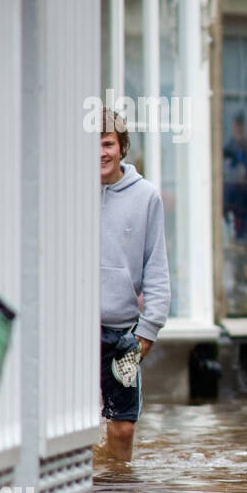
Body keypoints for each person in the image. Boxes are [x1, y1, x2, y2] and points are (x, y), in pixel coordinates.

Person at [99, 108, 170, 462]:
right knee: (73, 425)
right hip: (73, 332)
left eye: (108, 143)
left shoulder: (146, 197)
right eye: (92, 144)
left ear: (122, 147)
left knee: (122, 427)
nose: (101, 152)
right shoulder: (68, 195)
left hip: (122, 332)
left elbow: (156, 268)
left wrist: (148, 331)